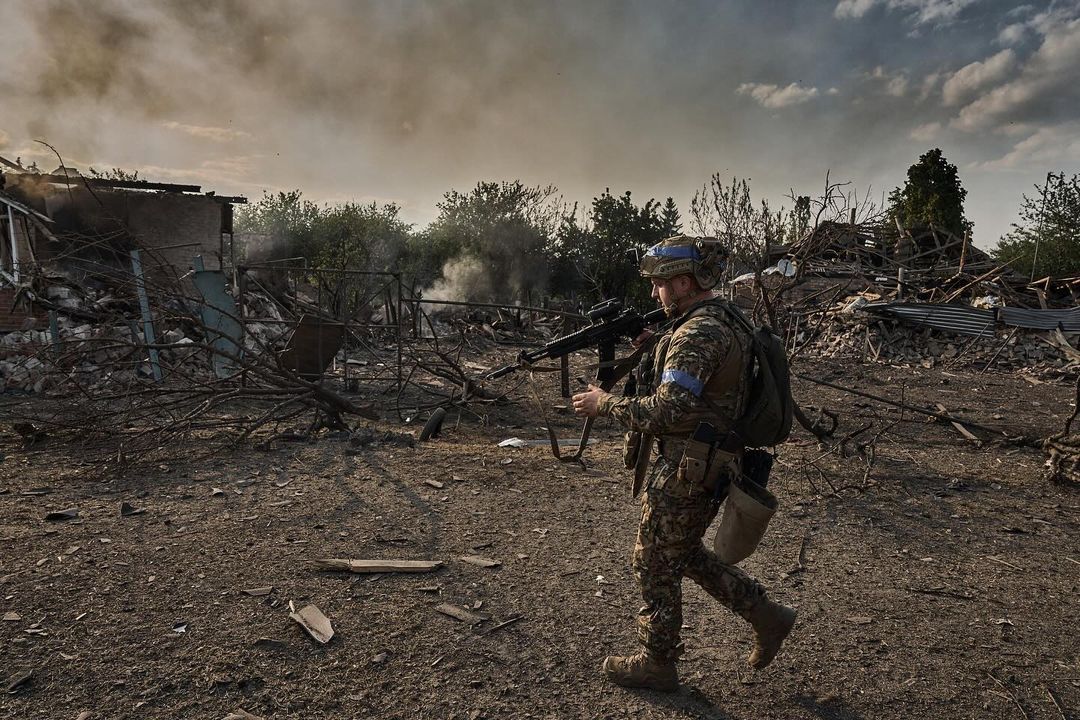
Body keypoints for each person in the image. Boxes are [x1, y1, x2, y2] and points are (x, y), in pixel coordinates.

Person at [571, 235, 796, 692]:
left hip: (688, 468)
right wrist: (656, 347)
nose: (655, 293)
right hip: (707, 461)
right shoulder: (718, 319)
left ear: (685, 282)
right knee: (683, 553)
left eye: (660, 284)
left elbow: (667, 410)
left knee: (653, 562)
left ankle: (657, 663)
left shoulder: (699, 332)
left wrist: (605, 403)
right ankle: (766, 615)